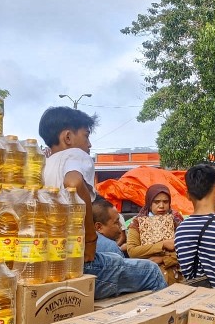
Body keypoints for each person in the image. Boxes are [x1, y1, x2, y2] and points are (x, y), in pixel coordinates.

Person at [38, 106, 167, 299]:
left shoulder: (44, 164)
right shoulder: (75, 155)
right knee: (151, 271)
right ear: (68, 137)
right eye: (86, 136)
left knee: (114, 257)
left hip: (49, 261)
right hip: (75, 263)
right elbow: (73, 182)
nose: (89, 144)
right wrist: (91, 238)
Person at [126, 184, 183, 285]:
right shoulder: (137, 223)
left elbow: (185, 251)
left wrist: (164, 259)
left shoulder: (176, 221)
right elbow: (132, 251)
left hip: (174, 277)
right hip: (147, 277)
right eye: (156, 202)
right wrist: (163, 244)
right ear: (149, 203)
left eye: (165, 202)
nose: (161, 206)